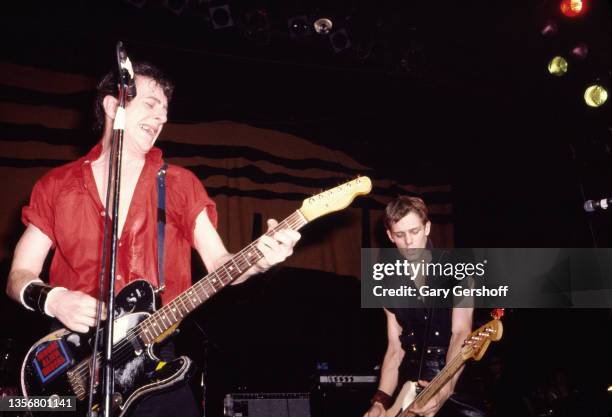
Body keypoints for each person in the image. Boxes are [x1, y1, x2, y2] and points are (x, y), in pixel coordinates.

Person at [5, 62, 300, 416]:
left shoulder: (180, 183)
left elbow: (222, 264)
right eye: (150, 104)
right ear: (113, 106)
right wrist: (53, 300)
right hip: (72, 364)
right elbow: (19, 274)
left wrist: (259, 260)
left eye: (164, 110)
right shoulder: (55, 186)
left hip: (153, 359)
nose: (160, 117)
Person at [364, 196, 482, 417]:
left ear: (427, 227)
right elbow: (394, 349)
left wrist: (443, 391)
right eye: (400, 235)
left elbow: (460, 333)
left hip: (453, 372)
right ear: (390, 236)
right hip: (409, 380)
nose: (408, 242)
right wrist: (381, 401)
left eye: (414, 231)